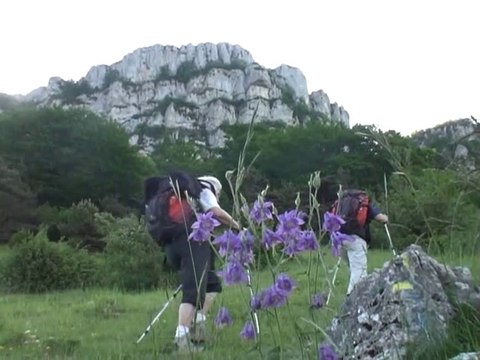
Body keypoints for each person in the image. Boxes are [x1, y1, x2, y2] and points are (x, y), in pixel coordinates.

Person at [162, 174, 240, 352]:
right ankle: (182, 340)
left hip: (174, 245)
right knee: (194, 289)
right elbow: (217, 213)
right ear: (216, 188)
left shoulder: (183, 197)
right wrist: (238, 225)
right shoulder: (205, 190)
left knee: (211, 284)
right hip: (191, 242)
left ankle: (199, 325)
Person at [340, 195, 389, 295]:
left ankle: (352, 295)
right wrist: (385, 218)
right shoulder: (364, 203)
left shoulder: (342, 202)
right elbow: (381, 218)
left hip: (339, 239)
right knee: (359, 271)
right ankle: (352, 297)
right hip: (356, 240)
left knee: (353, 268)